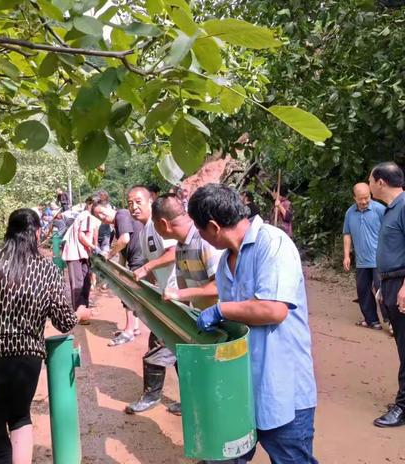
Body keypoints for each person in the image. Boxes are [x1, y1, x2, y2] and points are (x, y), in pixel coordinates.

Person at [0, 209, 90, 464]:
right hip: (25, 359)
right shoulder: (47, 271)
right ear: (38, 233)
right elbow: (64, 321)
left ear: (8, 232)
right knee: (21, 418)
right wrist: (80, 314)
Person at [188, 184, 317, 464]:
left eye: (199, 229)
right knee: (223, 456)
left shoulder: (273, 244)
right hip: (240, 387)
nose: (199, 236)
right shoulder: (225, 263)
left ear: (213, 226)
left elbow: (273, 309)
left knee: (291, 459)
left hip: (281, 388)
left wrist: (221, 309)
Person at [125, 186, 179, 414]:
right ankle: (191, 397)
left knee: (157, 347)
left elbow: (175, 251)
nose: (134, 207)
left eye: (138, 201)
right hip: (165, 295)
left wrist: (147, 267)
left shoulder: (158, 226)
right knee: (178, 351)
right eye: (129, 203)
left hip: (177, 297)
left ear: (151, 201)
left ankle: (151, 396)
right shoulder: (143, 230)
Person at [368, 162, 405, 428]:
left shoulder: (404, 206)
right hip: (392, 282)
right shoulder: (392, 209)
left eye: (370, 180)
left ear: (380, 182)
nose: (368, 185)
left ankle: (402, 407)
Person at [152, 193, 224, 311]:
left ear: (163, 224)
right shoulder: (180, 246)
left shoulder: (205, 239)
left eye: (154, 223)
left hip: (224, 321)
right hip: (203, 319)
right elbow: (182, 290)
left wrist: (179, 294)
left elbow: (220, 286)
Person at [92, 202, 146, 345]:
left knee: (128, 294)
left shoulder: (121, 214)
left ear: (110, 207)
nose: (102, 217)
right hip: (134, 259)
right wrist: (115, 277)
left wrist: (109, 254)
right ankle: (134, 328)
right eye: (98, 216)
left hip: (138, 259)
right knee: (130, 292)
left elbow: (125, 240)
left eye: (102, 212)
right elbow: (122, 255)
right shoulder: (117, 224)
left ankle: (128, 332)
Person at [343, 182, 387, 331]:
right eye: (360, 198)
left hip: (380, 259)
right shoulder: (350, 213)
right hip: (361, 260)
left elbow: (390, 233)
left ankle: (392, 322)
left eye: (366, 198)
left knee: (382, 289)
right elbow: (347, 234)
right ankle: (371, 320)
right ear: (354, 197)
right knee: (363, 290)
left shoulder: (380, 210)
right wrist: (346, 256)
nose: (363, 202)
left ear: (370, 195)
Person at [61, 205, 98, 311]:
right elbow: (81, 236)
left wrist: (93, 247)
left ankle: (84, 308)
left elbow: (94, 233)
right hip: (74, 253)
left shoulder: (89, 218)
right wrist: (93, 247)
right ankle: (79, 312)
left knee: (86, 282)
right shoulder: (86, 216)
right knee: (78, 283)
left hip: (83, 253)